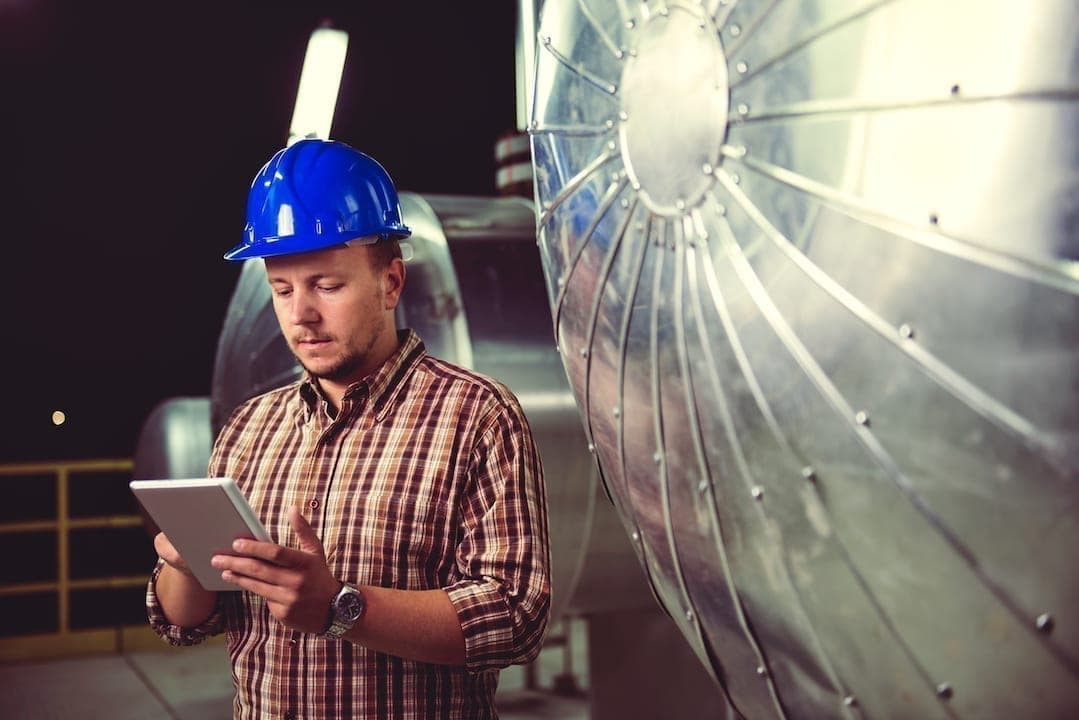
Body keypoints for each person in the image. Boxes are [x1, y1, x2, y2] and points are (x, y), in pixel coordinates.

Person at [144, 138, 551, 719]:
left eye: (327, 286)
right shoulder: (248, 430)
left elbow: (516, 620)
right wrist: (184, 567)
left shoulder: (476, 417)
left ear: (390, 283)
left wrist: (339, 606)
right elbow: (185, 622)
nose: (300, 313)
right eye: (282, 289)